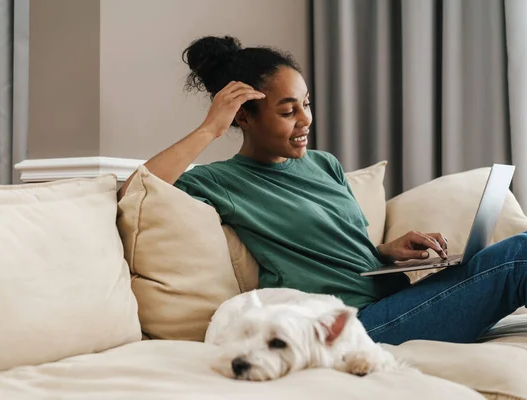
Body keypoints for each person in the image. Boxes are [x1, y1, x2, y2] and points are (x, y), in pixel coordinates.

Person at [118, 35, 527, 345]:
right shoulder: (220, 181)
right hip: (353, 325)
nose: (305, 120)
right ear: (243, 116)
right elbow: (140, 191)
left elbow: (344, 248)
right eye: (287, 111)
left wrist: (387, 251)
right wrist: (211, 127)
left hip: (396, 300)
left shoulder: (324, 164)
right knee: (519, 256)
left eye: (306, 104)